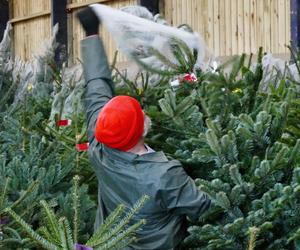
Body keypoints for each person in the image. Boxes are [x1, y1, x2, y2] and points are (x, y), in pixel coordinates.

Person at [77, 7, 211, 250]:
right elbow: (202, 206)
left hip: (110, 244)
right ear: (141, 128)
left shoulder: (99, 148)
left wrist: (90, 33)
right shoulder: (164, 174)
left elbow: (96, 87)